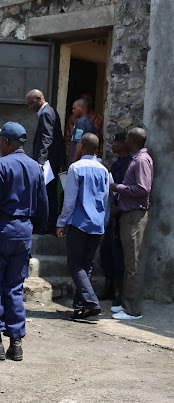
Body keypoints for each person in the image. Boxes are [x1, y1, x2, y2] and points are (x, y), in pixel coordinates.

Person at [0, 122, 48, 361]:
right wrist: (34, 227)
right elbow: (42, 204)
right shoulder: (35, 168)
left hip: (2, 229)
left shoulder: (2, 165)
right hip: (23, 232)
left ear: (7, 142)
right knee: (14, 287)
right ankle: (16, 343)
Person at [56, 133, 110, 320]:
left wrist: (61, 222)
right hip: (97, 223)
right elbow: (105, 200)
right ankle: (81, 308)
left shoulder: (75, 167)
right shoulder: (104, 170)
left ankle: (91, 302)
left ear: (80, 146)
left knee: (75, 264)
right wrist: (104, 224)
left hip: (79, 222)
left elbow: (70, 200)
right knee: (86, 265)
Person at [110, 128, 153, 320]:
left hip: (135, 216)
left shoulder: (142, 160)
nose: (124, 140)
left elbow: (143, 189)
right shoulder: (136, 159)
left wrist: (118, 187)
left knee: (134, 264)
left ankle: (133, 310)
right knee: (129, 263)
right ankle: (126, 304)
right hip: (129, 215)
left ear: (133, 141)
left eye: (127, 138)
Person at [97, 132, 132, 305]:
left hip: (121, 213)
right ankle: (108, 287)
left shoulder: (130, 164)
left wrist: (117, 209)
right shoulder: (117, 164)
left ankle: (120, 291)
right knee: (107, 251)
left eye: (117, 142)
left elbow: (129, 189)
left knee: (119, 254)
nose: (113, 145)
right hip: (111, 213)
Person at [25, 89, 65, 234]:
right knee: (49, 192)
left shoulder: (47, 113)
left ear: (39, 99)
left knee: (46, 193)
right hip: (51, 160)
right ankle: (48, 223)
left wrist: (41, 161)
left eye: (31, 103)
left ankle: (47, 224)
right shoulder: (49, 111)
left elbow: (46, 138)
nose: (30, 107)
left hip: (48, 162)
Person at [64, 93, 104, 158]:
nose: (73, 111)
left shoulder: (97, 118)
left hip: (84, 155)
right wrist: (68, 152)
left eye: (88, 100)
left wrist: (73, 160)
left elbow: (78, 143)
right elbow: (68, 136)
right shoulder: (74, 118)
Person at [67, 98, 97, 167]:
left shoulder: (81, 123)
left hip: (79, 161)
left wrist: (73, 161)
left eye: (74, 109)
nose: (73, 111)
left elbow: (79, 142)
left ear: (82, 108)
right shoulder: (89, 122)